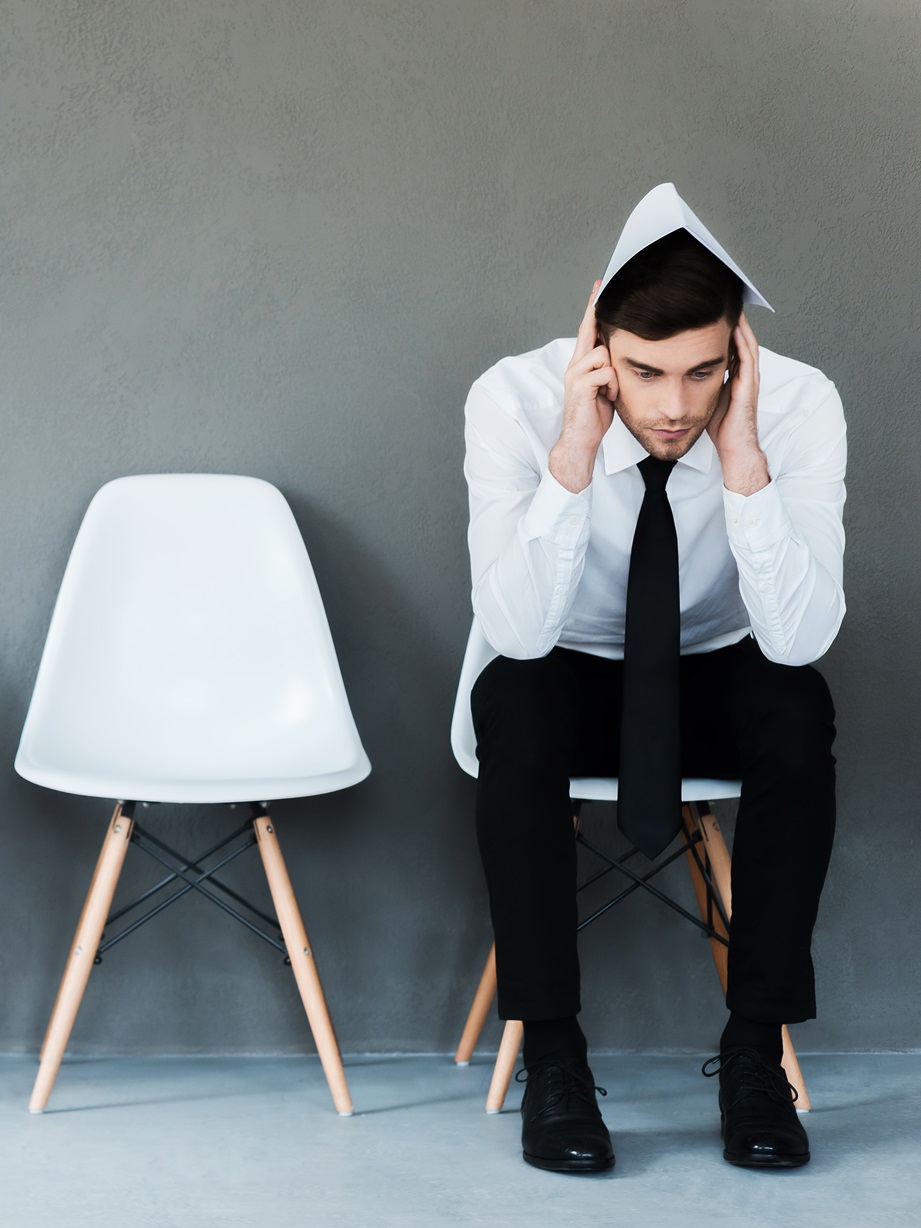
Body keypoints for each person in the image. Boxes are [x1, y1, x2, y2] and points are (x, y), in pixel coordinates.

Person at [463, 184, 845, 1173]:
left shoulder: (798, 404)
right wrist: (576, 450)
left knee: (799, 707)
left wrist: (747, 457)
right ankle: (552, 1056)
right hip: (569, 665)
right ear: (597, 343)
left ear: (739, 349)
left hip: (719, 667)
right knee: (514, 701)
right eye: (644, 371)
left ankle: (755, 1052)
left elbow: (799, 637)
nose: (675, 404)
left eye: (703, 370)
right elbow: (514, 627)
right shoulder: (510, 397)